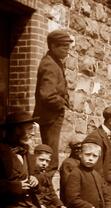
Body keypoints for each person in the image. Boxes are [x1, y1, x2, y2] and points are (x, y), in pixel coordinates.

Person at [33, 29, 73, 174]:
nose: (67, 51)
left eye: (68, 47)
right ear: (53, 46)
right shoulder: (49, 64)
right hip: (50, 118)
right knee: (50, 160)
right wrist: (62, 104)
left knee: (50, 157)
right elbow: (47, 95)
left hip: (52, 117)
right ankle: (44, 192)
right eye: (64, 47)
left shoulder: (55, 62)